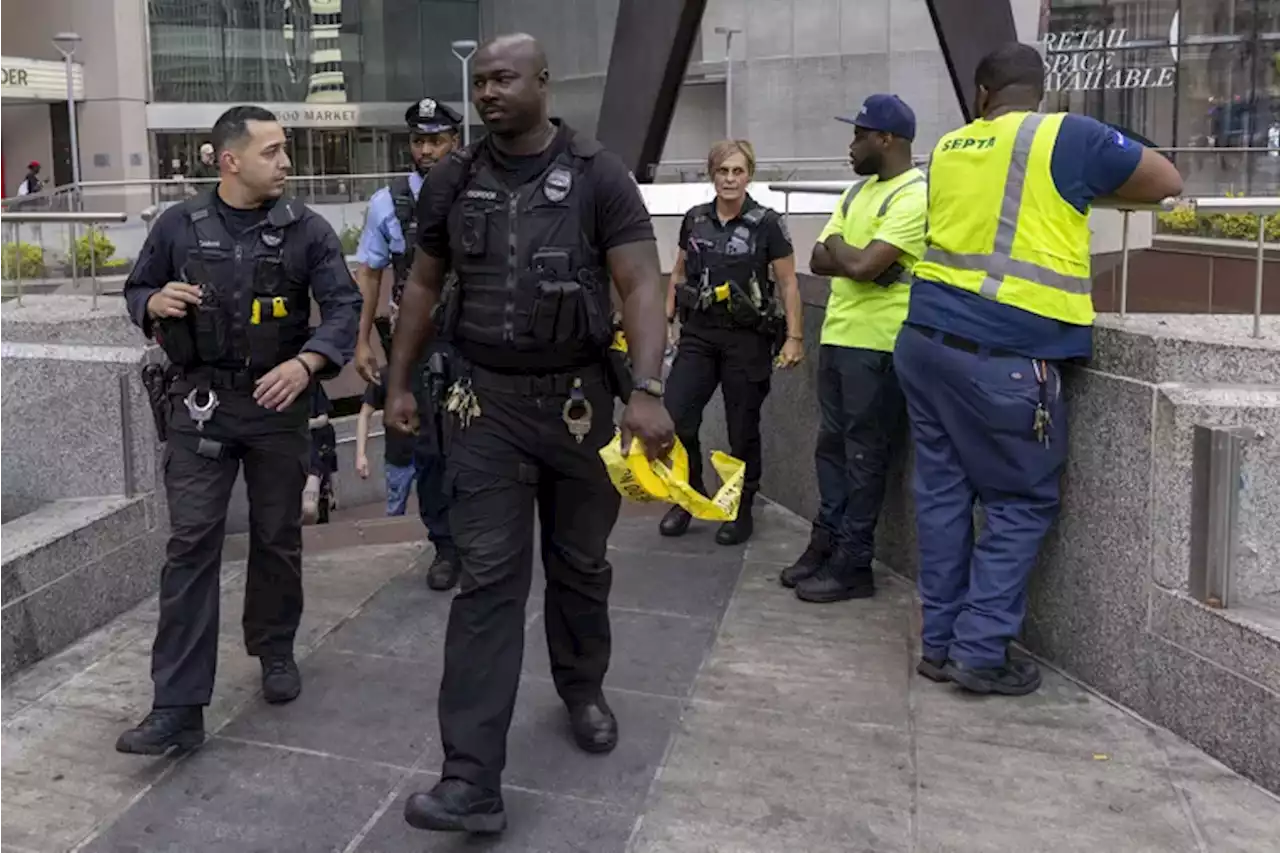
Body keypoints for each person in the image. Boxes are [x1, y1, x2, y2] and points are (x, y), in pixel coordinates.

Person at [385, 33, 674, 836]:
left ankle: (582, 687)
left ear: (544, 83)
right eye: (480, 82)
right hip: (485, 409)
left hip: (581, 405)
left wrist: (648, 388)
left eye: (504, 78)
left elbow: (642, 280)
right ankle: (470, 778)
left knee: (580, 564)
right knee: (487, 582)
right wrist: (399, 381)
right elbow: (423, 283)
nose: (488, 93)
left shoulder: (598, 174)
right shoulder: (455, 176)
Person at [896, 43, 1183, 696]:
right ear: (1041, 92)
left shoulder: (947, 148)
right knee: (1021, 501)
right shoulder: (1068, 136)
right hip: (1005, 354)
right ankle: (978, 650)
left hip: (923, 340)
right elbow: (1167, 180)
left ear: (981, 96)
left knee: (942, 495)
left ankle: (938, 644)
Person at [116, 105, 362, 754]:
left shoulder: (305, 230)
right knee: (191, 543)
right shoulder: (178, 225)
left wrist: (308, 362)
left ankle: (275, 646)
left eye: (285, 150)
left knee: (277, 535)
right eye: (272, 151)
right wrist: (153, 303)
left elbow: (343, 305)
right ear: (230, 161)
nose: (286, 163)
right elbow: (137, 288)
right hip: (199, 405)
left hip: (276, 406)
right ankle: (177, 705)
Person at [779, 94, 928, 603]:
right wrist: (852, 256)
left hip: (881, 345)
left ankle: (853, 561)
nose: (851, 145)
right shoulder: (857, 192)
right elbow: (821, 258)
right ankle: (825, 541)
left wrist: (849, 255)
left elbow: (862, 265)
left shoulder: (915, 195)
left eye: (860, 134)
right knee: (832, 448)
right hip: (840, 335)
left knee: (864, 454)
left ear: (887, 139)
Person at [658, 139, 804, 545]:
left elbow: (789, 283)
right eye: (723, 171)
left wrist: (794, 337)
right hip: (699, 335)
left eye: (737, 171)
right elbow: (679, 273)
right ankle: (688, 495)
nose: (730, 178)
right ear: (712, 174)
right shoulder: (696, 219)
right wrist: (667, 319)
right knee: (676, 415)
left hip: (748, 338)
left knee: (743, 428)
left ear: (749, 175)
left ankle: (740, 507)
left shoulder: (767, 222)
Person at [351, 96, 465, 591]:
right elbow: (370, 276)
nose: (426, 149)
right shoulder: (387, 203)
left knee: (481, 445)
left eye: (436, 140)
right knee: (429, 449)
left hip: (474, 340)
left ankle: (485, 539)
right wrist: (362, 343)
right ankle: (445, 546)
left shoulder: (480, 191)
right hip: (416, 346)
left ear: (454, 142)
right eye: (419, 140)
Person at [355, 365, 420, 516]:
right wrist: (360, 454)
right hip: (398, 456)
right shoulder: (384, 375)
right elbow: (364, 414)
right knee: (395, 509)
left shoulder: (428, 367)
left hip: (427, 451)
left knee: (436, 509)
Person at [303, 379, 338, 524]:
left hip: (313, 454)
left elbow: (324, 417)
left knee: (310, 507)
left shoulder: (312, 385)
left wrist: (305, 425)